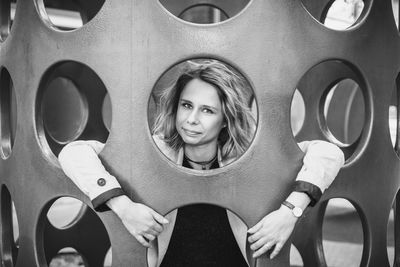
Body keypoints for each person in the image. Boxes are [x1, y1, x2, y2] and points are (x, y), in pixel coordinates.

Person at [58, 60, 345, 267]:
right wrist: (124, 207)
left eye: (207, 110)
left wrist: (289, 212)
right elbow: (73, 153)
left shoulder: (247, 158)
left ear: (225, 119)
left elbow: (328, 152)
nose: (191, 119)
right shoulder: (156, 151)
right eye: (186, 105)